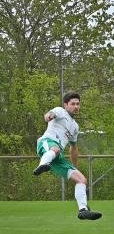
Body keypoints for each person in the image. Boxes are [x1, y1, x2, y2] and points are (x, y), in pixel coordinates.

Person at [33, 92, 102, 220]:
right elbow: (49, 114)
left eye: (78, 104)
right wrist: (48, 116)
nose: (76, 106)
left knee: (81, 180)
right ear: (66, 105)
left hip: (56, 156)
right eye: (73, 104)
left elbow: (73, 148)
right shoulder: (60, 111)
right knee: (56, 149)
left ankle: (83, 210)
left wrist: (74, 167)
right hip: (46, 143)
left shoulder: (75, 126)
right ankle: (42, 165)